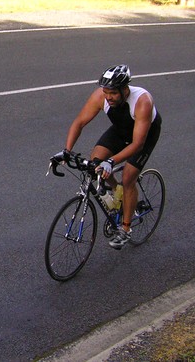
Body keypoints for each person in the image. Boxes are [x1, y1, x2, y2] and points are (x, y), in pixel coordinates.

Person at [54, 65, 162, 249]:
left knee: (128, 177)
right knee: (95, 161)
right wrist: (67, 150)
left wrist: (111, 161)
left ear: (124, 89)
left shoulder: (142, 101)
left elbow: (137, 144)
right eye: (105, 92)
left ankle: (125, 229)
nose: (108, 97)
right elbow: (79, 122)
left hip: (143, 136)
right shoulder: (100, 96)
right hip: (121, 130)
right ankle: (117, 190)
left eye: (112, 93)